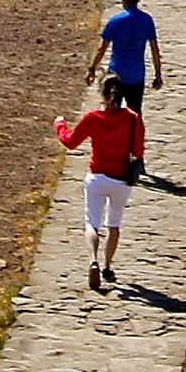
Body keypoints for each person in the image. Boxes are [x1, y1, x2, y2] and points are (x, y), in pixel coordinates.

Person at [54, 75, 145, 286]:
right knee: (114, 225)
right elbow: (138, 151)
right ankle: (107, 266)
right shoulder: (132, 118)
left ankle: (93, 260)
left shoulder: (93, 117)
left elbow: (70, 142)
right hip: (121, 180)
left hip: (96, 176)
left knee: (91, 223)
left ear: (102, 94)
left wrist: (60, 125)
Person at [89, 0, 163, 94]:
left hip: (116, 72)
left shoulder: (115, 20)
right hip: (136, 75)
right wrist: (158, 75)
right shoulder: (146, 20)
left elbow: (102, 48)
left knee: (113, 109)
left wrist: (92, 69)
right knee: (135, 110)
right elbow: (154, 50)